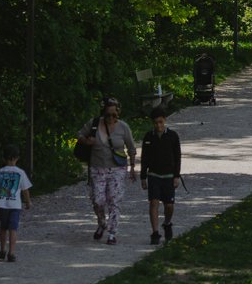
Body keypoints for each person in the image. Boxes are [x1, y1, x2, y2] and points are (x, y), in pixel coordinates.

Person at [77, 97, 136, 245]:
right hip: (97, 168)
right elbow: (79, 134)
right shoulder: (94, 124)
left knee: (114, 201)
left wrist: (133, 167)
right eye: (108, 115)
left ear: (118, 113)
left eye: (114, 115)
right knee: (97, 200)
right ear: (103, 113)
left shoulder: (123, 127)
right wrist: (86, 141)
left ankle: (112, 233)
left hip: (117, 168)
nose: (111, 118)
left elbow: (131, 148)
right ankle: (102, 222)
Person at [140, 110, 184, 244]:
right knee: (154, 203)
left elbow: (178, 157)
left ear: (164, 120)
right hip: (153, 175)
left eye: (160, 122)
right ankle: (155, 232)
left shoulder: (172, 136)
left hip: (169, 175)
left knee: (169, 205)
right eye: (155, 123)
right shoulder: (148, 137)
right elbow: (144, 158)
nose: (158, 125)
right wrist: (143, 177)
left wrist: (176, 176)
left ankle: (167, 222)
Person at [0, 147, 32, 262]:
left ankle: (2, 250)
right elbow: (25, 190)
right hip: (15, 205)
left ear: (3, 158)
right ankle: (12, 252)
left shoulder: (0, 172)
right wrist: (28, 202)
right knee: (13, 229)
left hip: (2, 204)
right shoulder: (20, 172)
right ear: (17, 158)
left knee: (3, 228)